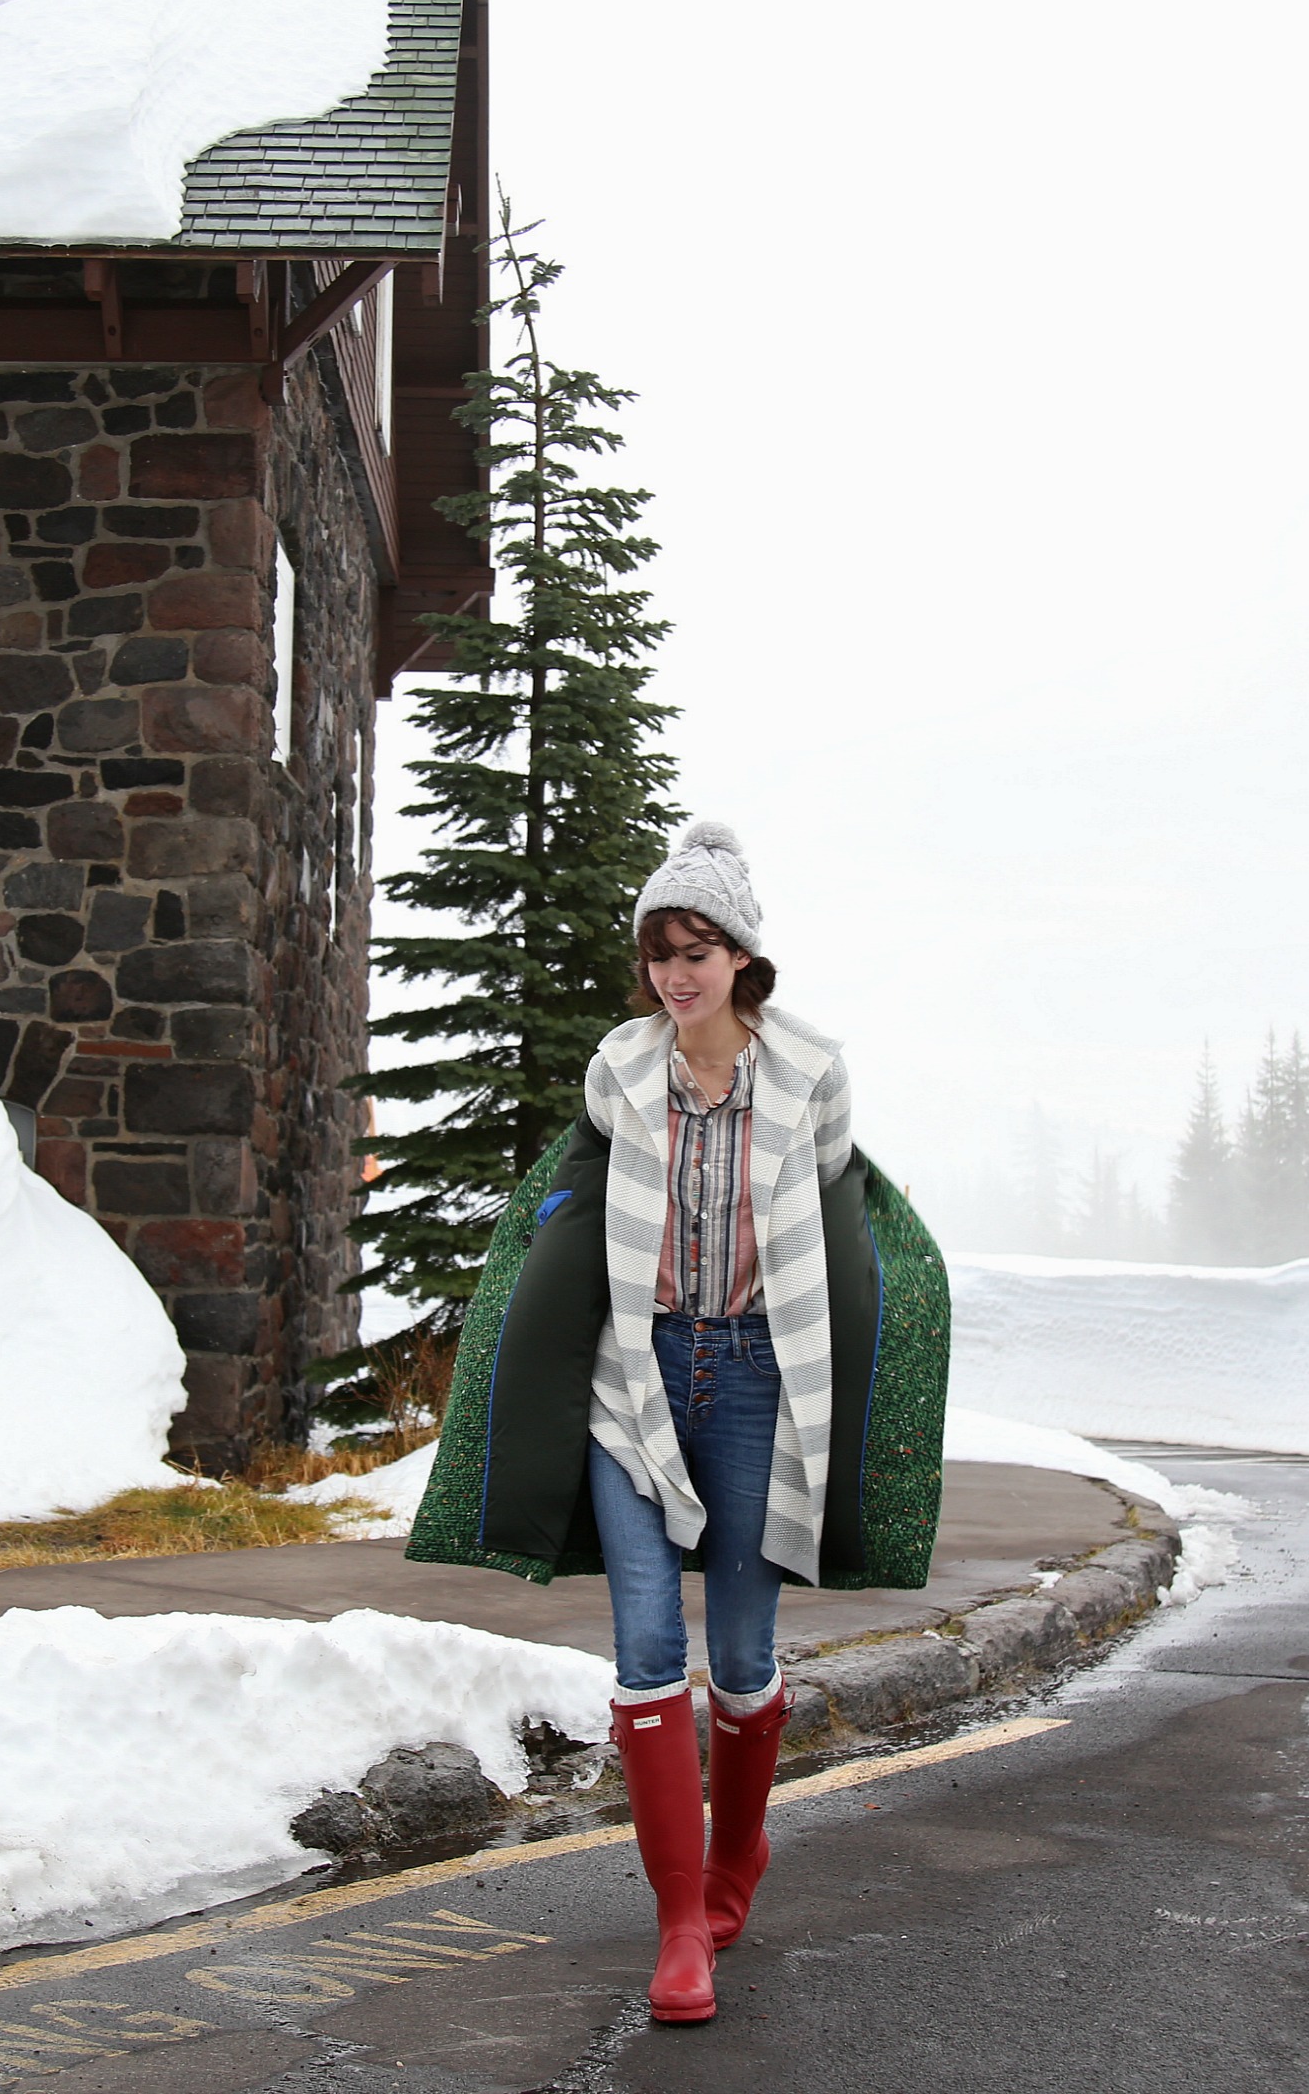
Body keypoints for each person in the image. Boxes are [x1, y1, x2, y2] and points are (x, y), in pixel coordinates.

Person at [581, 820, 851, 2025]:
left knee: (738, 1657)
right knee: (646, 1649)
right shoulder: (617, 1068)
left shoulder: (808, 1074)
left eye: (699, 948)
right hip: (634, 1375)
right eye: (659, 951)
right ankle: (679, 1921)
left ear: (742, 956)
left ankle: (736, 1858)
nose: (677, 973)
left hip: (751, 1375)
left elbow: (833, 1218)